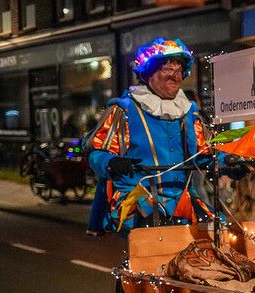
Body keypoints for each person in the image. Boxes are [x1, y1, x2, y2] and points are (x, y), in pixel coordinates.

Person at [85, 38, 226, 234]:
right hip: (138, 198)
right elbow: (95, 153)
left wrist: (228, 162)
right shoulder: (124, 111)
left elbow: (204, 153)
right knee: (153, 237)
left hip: (181, 200)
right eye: (168, 69)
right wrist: (111, 162)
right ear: (149, 72)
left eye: (179, 71)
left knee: (216, 232)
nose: (175, 76)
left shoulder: (188, 112)